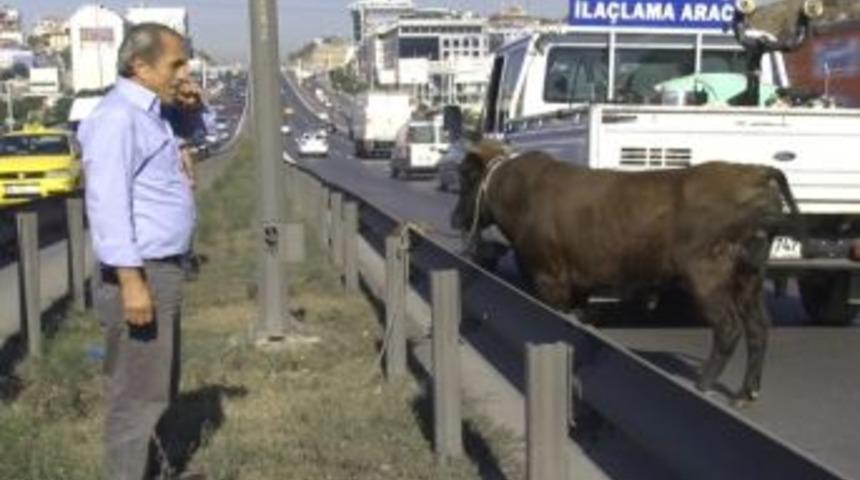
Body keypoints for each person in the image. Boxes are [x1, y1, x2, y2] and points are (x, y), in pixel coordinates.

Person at [78, 23, 199, 480]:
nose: (183, 73)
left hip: (159, 269)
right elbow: (107, 204)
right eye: (175, 64)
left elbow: (192, 138)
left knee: (157, 386)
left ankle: (156, 470)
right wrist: (131, 281)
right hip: (140, 272)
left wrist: (192, 110)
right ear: (140, 67)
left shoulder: (151, 112)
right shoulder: (117, 118)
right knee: (136, 397)